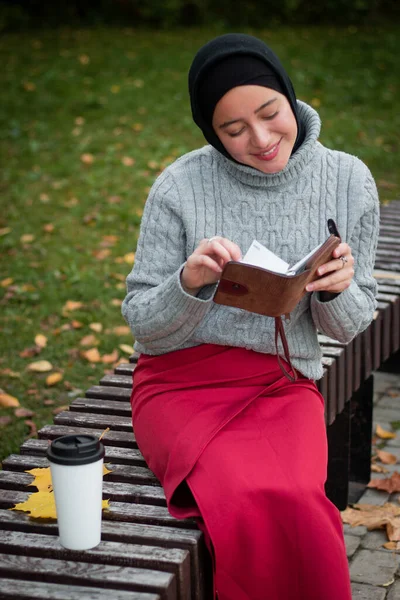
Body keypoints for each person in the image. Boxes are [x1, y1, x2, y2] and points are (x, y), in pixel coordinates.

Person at [122, 33, 379, 600]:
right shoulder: (179, 186)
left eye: (270, 114)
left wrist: (337, 291)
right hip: (180, 385)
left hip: (281, 385)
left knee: (293, 497)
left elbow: (352, 321)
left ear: (290, 98)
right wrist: (188, 283)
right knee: (241, 495)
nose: (261, 139)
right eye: (234, 130)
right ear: (211, 134)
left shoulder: (347, 179)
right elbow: (143, 322)